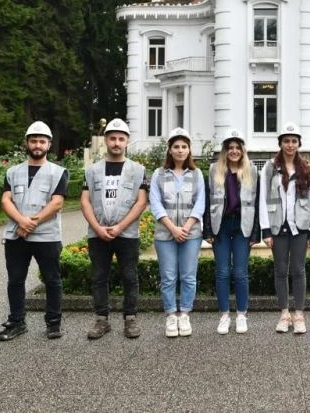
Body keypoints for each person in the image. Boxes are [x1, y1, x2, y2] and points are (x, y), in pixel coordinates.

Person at [0, 121, 68, 341]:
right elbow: (6, 200)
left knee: (52, 280)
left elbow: (56, 203)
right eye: (33, 140)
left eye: (42, 141)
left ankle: (53, 323)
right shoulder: (12, 172)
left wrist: (29, 224)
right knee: (16, 280)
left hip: (46, 236)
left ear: (49, 144)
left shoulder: (58, 172)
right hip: (16, 236)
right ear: (26, 143)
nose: (37, 145)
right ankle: (17, 322)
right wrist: (21, 222)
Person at [81, 118, 148, 340]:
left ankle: (130, 319)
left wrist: (119, 226)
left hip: (127, 234)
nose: (116, 143)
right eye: (112, 138)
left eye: (121, 138)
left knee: (129, 276)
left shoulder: (138, 170)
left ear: (127, 141)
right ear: (106, 140)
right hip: (97, 234)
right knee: (99, 276)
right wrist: (98, 228)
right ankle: (102, 320)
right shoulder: (92, 170)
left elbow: (141, 202)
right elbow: (85, 201)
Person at [259, 122, 310, 334]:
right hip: (277, 227)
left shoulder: (306, 168)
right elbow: (263, 199)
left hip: (300, 227)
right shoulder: (269, 168)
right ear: (280, 143)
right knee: (280, 270)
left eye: (294, 141)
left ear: (299, 143)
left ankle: (299, 314)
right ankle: (284, 313)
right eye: (286, 141)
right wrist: (265, 230)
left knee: (299, 270)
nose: (290, 145)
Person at [149, 128, 205, 338]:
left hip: (191, 234)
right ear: (169, 150)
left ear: (189, 150)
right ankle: (171, 314)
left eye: (184, 146)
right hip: (165, 235)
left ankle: (185, 314)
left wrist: (187, 227)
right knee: (169, 276)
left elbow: (200, 204)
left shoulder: (197, 174)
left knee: (189, 276)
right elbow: (155, 203)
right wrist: (173, 228)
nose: (180, 150)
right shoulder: (158, 174)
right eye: (176, 147)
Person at [204, 129, 260, 335]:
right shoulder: (213, 170)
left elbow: (256, 202)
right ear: (225, 151)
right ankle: (224, 315)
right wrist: (208, 230)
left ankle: (242, 314)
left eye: (238, 148)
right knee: (222, 272)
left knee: (240, 272)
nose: (234, 151)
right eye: (230, 148)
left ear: (243, 150)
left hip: (242, 226)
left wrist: (255, 233)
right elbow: (208, 201)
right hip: (221, 225)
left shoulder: (252, 170)